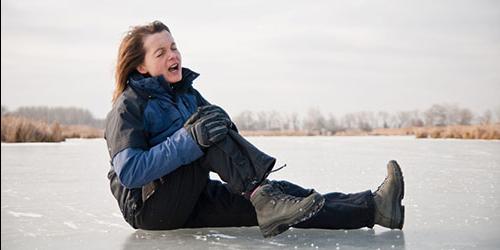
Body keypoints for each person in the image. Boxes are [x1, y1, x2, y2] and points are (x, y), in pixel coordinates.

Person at [104, 20, 405, 238]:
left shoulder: (185, 94)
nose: (173, 55)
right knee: (203, 132)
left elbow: (222, 136)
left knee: (288, 201)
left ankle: (375, 207)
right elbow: (131, 172)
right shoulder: (128, 107)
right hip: (150, 208)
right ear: (141, 66)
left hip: (192, 193)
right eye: (161, 53)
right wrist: (191, 139)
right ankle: (262, 194)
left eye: (174, 47)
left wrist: (220, 124)